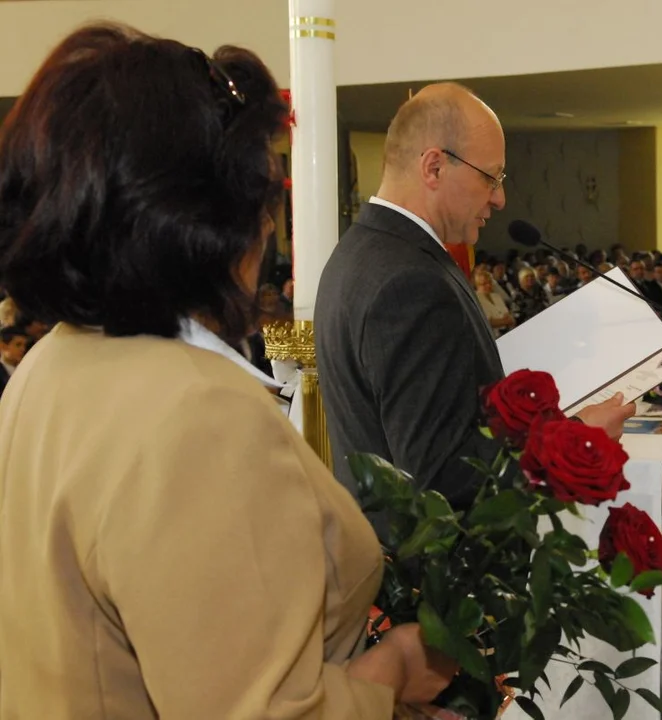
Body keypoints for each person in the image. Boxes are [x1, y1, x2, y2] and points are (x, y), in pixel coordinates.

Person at [0, 23, 454, 718]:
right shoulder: (197, 414)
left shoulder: (52, 363)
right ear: (212, 217)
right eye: (264, 190)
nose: (269, 223)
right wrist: (392, 670)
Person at [315, 83, 634, 513]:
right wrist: (576, 437)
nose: (500, 198)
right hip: (435, 570)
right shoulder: (410, 282)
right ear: (434, 168)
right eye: (491, 177)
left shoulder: (358, 250)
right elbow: (443, 476)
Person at [474, 268, 515, 336]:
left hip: (508, 332)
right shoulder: (476, 299)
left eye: (490, 282)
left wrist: (506, 321)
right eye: (484, 284)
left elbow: (507, 315)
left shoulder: (496, 296)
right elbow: (488, 323)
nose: (488, 285)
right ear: (477, 285)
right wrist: (506, 321)